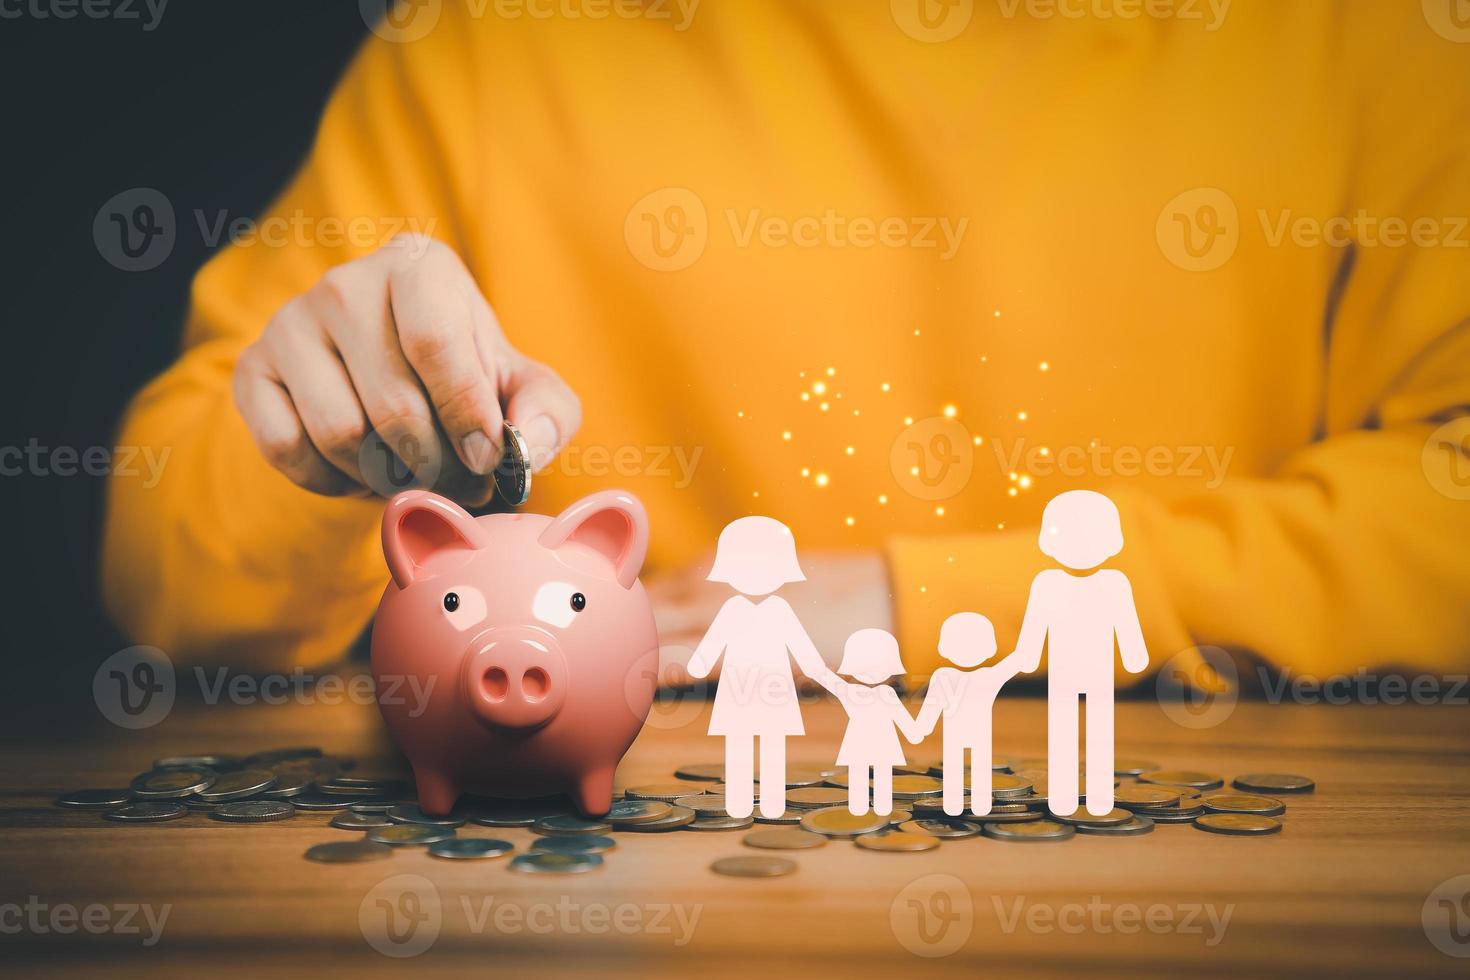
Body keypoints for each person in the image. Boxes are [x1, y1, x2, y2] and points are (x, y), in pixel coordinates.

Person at [103, 4, 1470, 688]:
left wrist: (927, 602)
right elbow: (164, 577)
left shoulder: (1372, 42)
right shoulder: (483, 49)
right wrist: (312, 451)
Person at [686, 516, 832, 819]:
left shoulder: (780, 608)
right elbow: (713, 643)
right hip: (737, 686)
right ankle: (739, 800)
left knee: (772, 742)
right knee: (739, 742)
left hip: (774, 688)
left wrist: (818, 670)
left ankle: (772, 801)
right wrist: (697, 666)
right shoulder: (732, 608)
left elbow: (801, 646)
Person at [1014, 491, 1149, 817]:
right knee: (1063, 731)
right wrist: (1028, 654)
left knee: (1099, 731)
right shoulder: (1046, 583)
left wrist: (1133, 655)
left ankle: (1100, 794)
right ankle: (1063, 795)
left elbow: (1127, 623)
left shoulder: (1115, 583)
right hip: (1063, 674)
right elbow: (1035, 625)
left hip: (1100, 674)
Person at [914, 612, 1028, 817]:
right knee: (973, 766)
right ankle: (976, 804)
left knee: (961, 766)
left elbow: (931, 709)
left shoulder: (944, 676)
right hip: (975, 733)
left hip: (960, 733)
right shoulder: (986, 676)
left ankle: (959, 804)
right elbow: (1018, 660)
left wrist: (921, 728)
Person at [826, 629, 924, 816]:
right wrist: (918, 730)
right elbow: (910, 729)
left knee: (866, 774)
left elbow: (823, 677)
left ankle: (865, 811)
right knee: (875, 775)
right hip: (880, 744)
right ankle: (871, 811)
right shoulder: (876, 693)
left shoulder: (853, 692)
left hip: (862, 743)